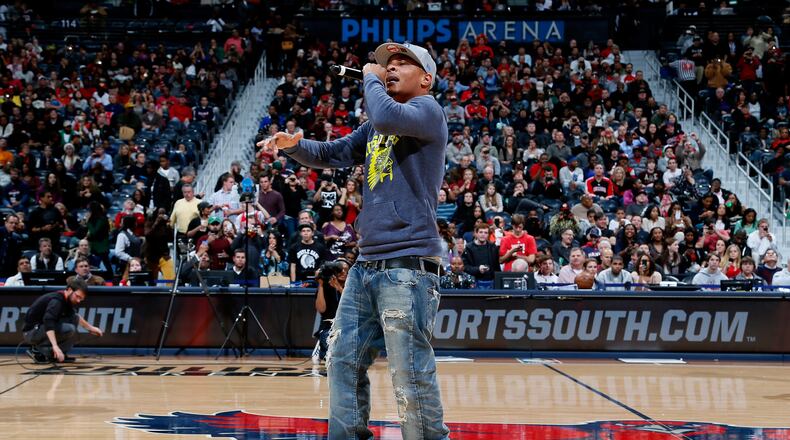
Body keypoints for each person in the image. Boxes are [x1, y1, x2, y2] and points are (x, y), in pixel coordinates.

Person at [259, 41, 450, 439]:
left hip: (408, 265)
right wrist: (295, 147)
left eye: (402, 64)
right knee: (342, 357)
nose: (391, 68)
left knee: (409, 371)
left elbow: (382, 113)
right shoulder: (377, 127)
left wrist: (368, 78)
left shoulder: (427, 111)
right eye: (387, 64)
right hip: (366, 264)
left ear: (426, 79)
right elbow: (334, 152)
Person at [23, 278, 103, 363]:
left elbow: (75, 316)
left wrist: (91, 328)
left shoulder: (67, 300)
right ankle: (37, 350)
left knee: (74, 320)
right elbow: (48, 322)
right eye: (77, 296)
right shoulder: (57, 301)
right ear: (69, 290)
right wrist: (55, 346)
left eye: (81, 299)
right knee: (69, 328)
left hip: (39, 329)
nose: (78, 300)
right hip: (31, 332)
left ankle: (57, 354)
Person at [314, 258, 350, 362]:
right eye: (339, 269)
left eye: (346, 270)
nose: (343, 272)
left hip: (348, 327)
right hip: (328, 328)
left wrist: (339, 288)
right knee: (328, 339)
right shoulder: (326, 287)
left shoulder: (352, 287)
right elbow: (321, 309)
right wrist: (320, 285)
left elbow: (351, 305)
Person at [462, 223, 500, 288]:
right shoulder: (469, 248)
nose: (483, 235)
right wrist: (478, 269)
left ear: (488, 235)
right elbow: (465, 267)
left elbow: (497, 266)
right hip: (475, 282)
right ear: (476, 233)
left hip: (491, 282)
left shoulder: (493, 247)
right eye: (481, 232)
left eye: (485, 233)